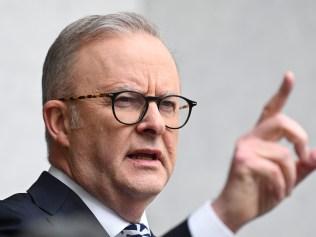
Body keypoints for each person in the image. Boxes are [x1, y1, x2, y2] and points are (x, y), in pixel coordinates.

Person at [0, 12, 315, 237]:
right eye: (125, 99)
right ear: (61, 122)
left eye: (166, 104)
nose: (155, 124)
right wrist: (220, 218)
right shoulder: (17, 225)